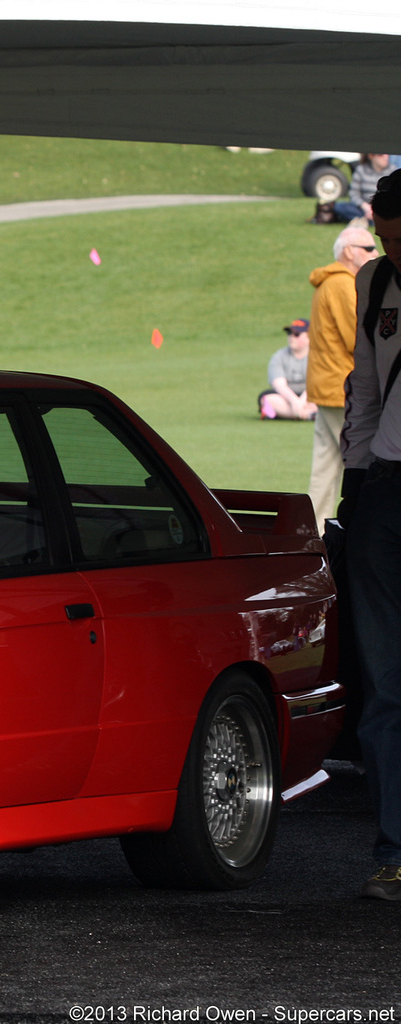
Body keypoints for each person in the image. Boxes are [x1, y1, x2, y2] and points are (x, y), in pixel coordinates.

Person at [342, 169, 401, 899]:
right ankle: (394, 848)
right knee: (386, 685)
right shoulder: (374, 285)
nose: (393, 251)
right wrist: (353, 497)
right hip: (384, 491)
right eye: (386, 239)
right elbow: (362, 391)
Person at [306, 222, 378, 523]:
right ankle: (360, 526)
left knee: (325, 463)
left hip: (328, 385)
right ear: (349, 252)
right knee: (362, 460)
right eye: (369, 248)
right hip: (340, 387)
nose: (376, 252)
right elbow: (358, 337)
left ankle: (315, 527)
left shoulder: (330, 282)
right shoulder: (342, 284)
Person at [258, 318, 316, 421]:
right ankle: (308, 415)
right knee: (267, 399)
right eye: (290, 333)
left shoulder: (317, 357)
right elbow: (279, 385)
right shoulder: (279, 357)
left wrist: (301, 402)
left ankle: (283, 414)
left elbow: (316, 383)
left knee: (324, 399)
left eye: (297, 334)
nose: (291, 337)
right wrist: (295, 402)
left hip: (310, 396)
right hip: (287, 398)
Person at [336, 154, 395, 225]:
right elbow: (354, 194)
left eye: (387, 154)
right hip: (364, 208)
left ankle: (367, 220)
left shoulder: (393, 171)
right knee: (340, 206)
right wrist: (365, 207)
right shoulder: (361, 170)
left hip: (384, 209)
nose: (386, 157)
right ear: (371, 156)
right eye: (381, 155)